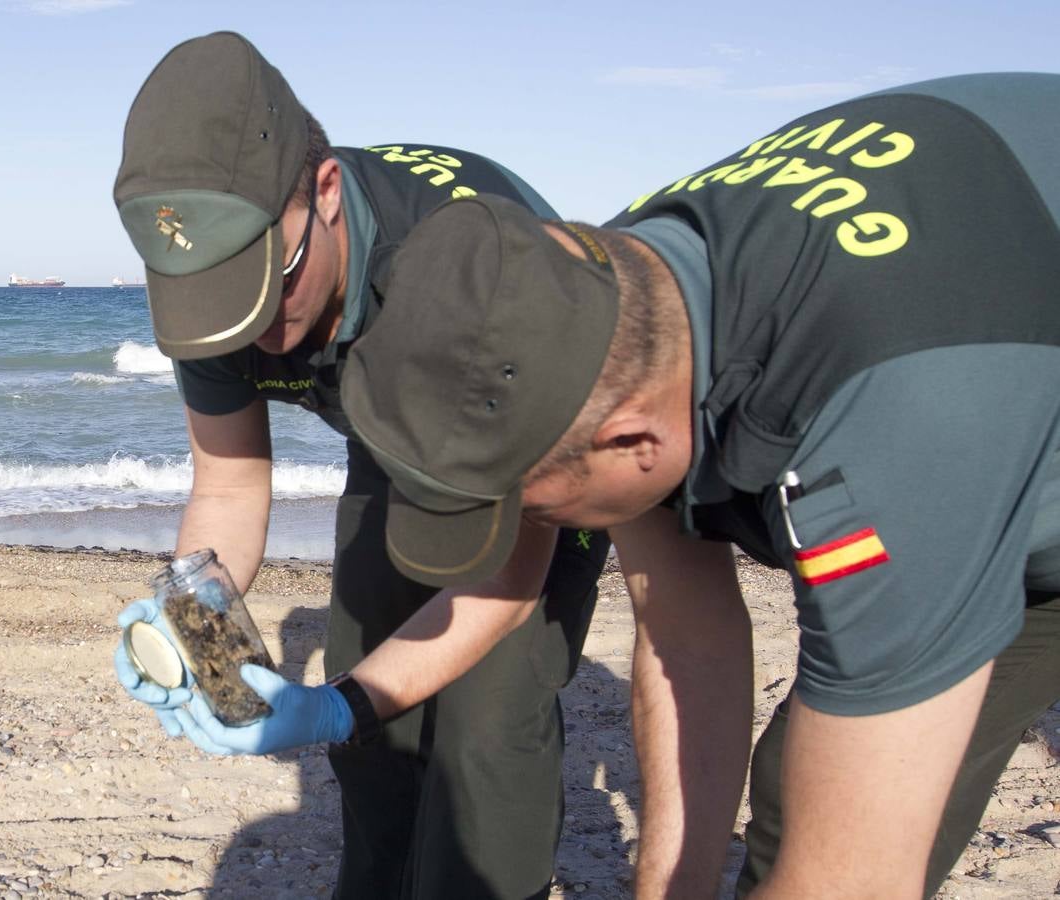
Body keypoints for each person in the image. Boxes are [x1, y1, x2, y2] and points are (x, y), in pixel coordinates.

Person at [339, 73, 1060, 898]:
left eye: (526, 506)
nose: (514, 534)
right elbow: (689, 639)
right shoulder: (615, 310)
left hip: (981, 400)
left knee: (819, 806)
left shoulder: (892, 435)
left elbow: (857, 880)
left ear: (633, 442)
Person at [110, 32, 611, 900]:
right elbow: (229, 483)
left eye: (272, 289)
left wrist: (355, 697)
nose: (251, 332)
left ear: (328, 194)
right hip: (391, 437)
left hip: (533, 435)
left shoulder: (461, 275)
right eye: (218, 306)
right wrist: (188, 610)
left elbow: (513, 574)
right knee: (370, 723)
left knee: (488, 728)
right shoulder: (215, 280)